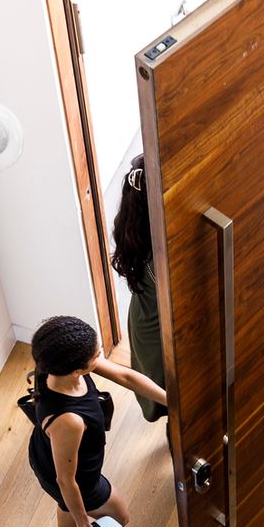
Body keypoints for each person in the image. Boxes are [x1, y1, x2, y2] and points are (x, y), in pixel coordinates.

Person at [25, 315, 168, 527]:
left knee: (65, 506)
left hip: (50, 457)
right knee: (120, 517)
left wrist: (171, 401)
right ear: (76, 370)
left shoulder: (54, 364)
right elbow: (66, 480)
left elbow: (126, 376)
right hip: (78, 479)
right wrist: (84, 526)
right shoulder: (68, 421)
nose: (100, 355)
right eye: (96, 355)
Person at [111, 154, 168, 423]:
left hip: (143, 317)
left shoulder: (136, 225)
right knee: (170, 397)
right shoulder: (161, 257)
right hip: (158, 333)